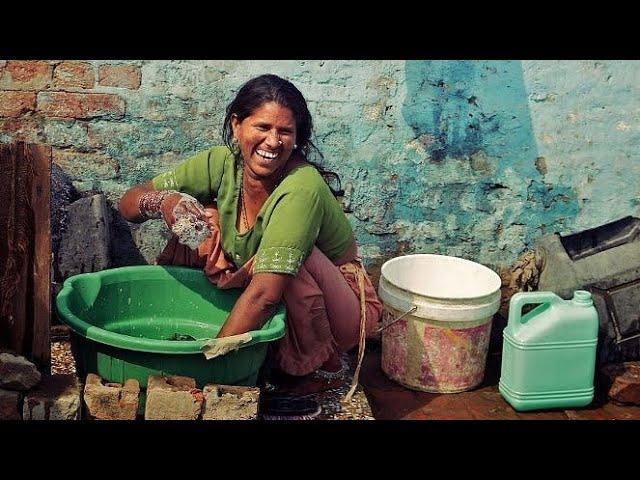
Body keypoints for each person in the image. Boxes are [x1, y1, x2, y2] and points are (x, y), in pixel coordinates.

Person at [119, 74, 382, 394]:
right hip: (263, 280)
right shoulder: (220, 164)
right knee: (203, 219)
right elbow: (129, 204)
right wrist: (163, 202)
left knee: (291, 258)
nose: (273, 142)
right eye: (262, 127)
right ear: (236, 125)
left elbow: (264, 294)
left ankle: (314, 366)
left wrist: (207, 366)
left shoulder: (301, 187)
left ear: (297, 138)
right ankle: (248, 337)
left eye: (285, 131)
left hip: (339, 307)